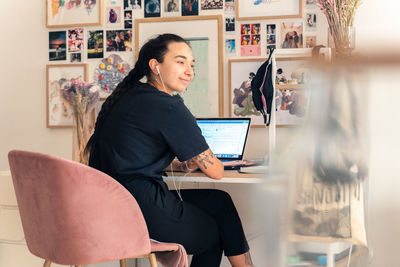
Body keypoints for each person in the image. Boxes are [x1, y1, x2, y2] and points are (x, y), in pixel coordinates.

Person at [85, 34, 253, 267]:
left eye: (192, 65)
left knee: (220, 201)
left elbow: (129, 156)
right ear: (155, 66)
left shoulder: (127, 97)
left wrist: (179, 165)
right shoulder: (169, 106)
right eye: (180, 62)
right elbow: (216, 172)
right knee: (214, 234)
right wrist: (209, 160)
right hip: (143, 209)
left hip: (111, 209)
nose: (189, 71)